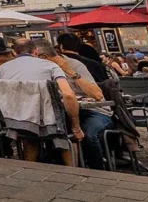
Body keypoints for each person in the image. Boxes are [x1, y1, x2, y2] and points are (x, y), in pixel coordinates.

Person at [0, 38, 82, 165]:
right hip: (50, 123)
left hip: (16, 122)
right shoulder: (51, 66)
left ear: (14, 53)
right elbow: (68, 95)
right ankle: (74, 170)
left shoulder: (1, 70)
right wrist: (76, 127)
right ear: (36, 51)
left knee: (30, 131)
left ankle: (31, 169)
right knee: (68, 130)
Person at [36, 40, 112, 170]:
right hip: (64, 112)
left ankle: (99, 171)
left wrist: (70, 72)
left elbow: (97, 95)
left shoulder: (74, 64)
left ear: (43, 57)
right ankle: (68, 168)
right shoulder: (41, 70)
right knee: (50, 131)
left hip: (95, 111)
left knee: (89, 135)